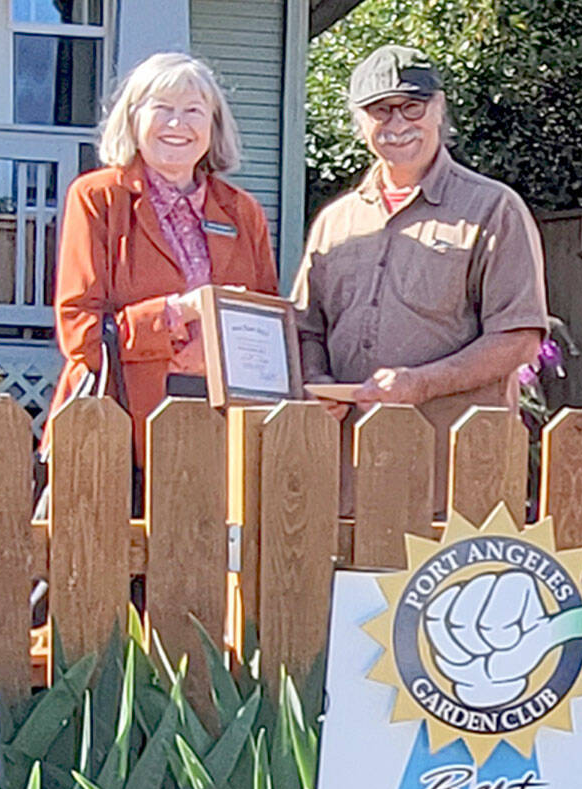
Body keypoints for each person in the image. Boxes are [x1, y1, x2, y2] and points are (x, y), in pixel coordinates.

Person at [294, 45, 548, 511]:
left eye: (413, 107)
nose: (397, 124)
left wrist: (421, 383)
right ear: (359, 121)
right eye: (379, 111)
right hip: (349, 482)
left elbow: (518, 338)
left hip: (453, 483)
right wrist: (316, 382)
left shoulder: (493, 209)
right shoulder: (335, 221)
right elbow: (307, 328)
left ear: (439, 110)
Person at [41, 52, 279, 470]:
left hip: (219, 435)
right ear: (133, 119)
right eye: (162, 109)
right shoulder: (97, 198)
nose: (177, 124)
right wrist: (177, 313)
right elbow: (79, 330)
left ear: (213, 125)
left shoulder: (244, 213)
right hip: (112, 430)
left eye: (193, 111)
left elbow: (268, 333)